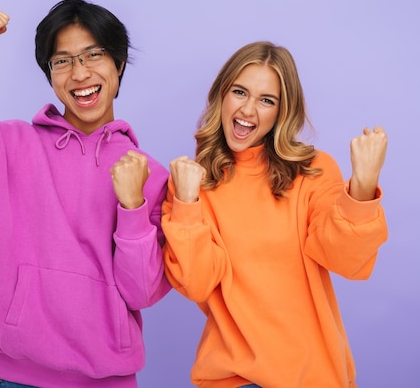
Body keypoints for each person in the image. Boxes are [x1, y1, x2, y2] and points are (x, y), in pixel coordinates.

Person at [0, 0, 171, 388]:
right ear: (50, 74)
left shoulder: (149, 175)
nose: (80, 73)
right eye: (62, 61)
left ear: (119, 64)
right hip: (7, 376)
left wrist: (132, 207)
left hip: (103, 380)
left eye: (94, 55)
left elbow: (141, 292)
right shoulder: (5, 145)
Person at [161, 41, 388, 388]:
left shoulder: (313, 170)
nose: (248, 110)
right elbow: (197, 282)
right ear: (222, 94)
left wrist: (363, 187)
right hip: (233, 378)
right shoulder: (191, 183)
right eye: (240, 92)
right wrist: (188, 204)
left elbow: (346, 259)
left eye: (266, 100)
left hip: (316, 376)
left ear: (282, 111)